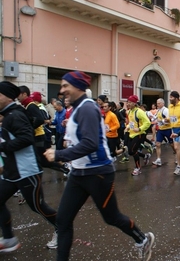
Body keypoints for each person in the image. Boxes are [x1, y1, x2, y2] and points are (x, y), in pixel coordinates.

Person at [43, 71, 154, 261]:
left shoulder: (87, 108)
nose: (61, 91)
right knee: (63, 220)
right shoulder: (78, 109)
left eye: (65, 86)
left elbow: (90, 143)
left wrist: (59, 154)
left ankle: (142, 239)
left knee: (111, 217)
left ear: (77, 86)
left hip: (98, 174)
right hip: (79, 173)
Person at [0, 81, 58, 252]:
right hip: (12, 173)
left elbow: (26, 138)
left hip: (27, 171)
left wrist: (2, 146)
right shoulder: (9, 114)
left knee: (38, 206)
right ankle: (9, 239)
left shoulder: (15, 115)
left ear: (8, 97)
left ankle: (63, 228)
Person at [125, 95, 152, 175]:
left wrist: (140, 129)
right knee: (130, 152)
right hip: (131, 134)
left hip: (140, 134)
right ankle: (145, 156)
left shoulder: (139, 112)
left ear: (134, 103)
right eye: (127, 102)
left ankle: (138, 168)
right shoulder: (129, 111)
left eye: (130, 102)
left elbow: (148, 122)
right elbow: (131, 123)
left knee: (132, 151)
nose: (128, 104)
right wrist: (127, 127)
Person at [168, 91, 180, 175]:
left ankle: (179, 166)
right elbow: (171, 117)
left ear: (176, 98)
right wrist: (167, 120)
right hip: (173, 128)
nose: (170, 99)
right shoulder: (170, 106)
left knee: (177, 147)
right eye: (169, 97)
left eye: (171, 97)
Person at [152, 98, 174, 166]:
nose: (157, 104)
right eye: (157, 103)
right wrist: (153, 120)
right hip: (160, 130)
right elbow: (155, 117)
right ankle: (158, 160)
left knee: (172, 144)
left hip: (168, 129)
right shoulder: (158, 110)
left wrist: (160, 121)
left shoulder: (166, 110)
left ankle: (177, 154)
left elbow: (169, 120)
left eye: (159, 103)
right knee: (157, 144)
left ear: (162, 103)